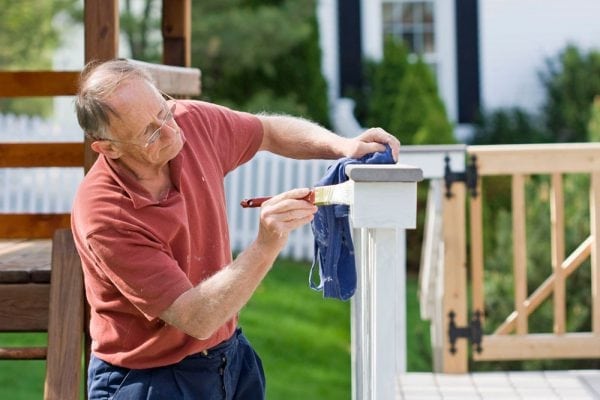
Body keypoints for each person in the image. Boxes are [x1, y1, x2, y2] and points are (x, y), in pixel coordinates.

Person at [72, 58, 400, 400]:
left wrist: (342, 146)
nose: (170, 130)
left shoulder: (188, 123)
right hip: (148, 379)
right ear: (107, 147)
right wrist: (265, 245)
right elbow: (195, 318)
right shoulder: (105, 213)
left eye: (163, 111)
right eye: (149, 133)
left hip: (227, 357)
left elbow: (268, 131)